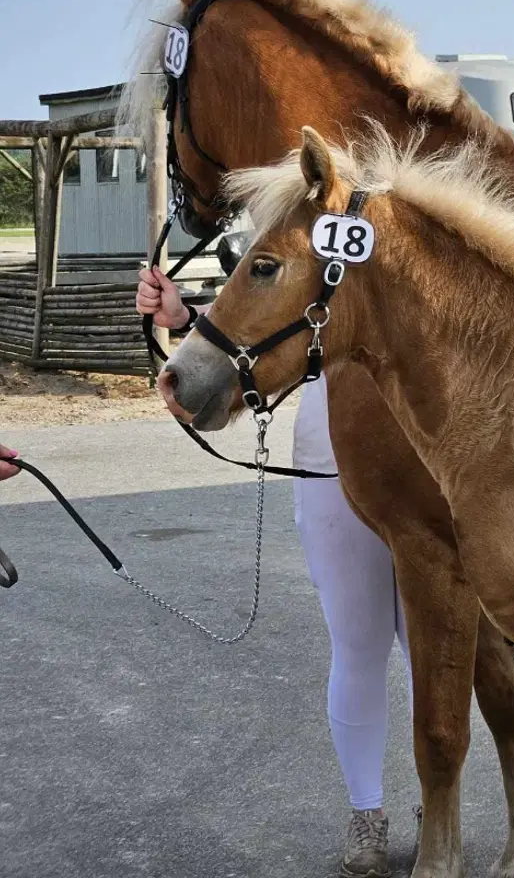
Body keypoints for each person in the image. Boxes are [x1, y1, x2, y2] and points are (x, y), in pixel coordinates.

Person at [138, 266, 408, 878]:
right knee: (358, 645)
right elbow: (275, 300)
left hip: (433, 442)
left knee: (434, 651)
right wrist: (187, 324)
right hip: (334, 445)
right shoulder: (320, 208)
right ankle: (367, 811)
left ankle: (438, 802)